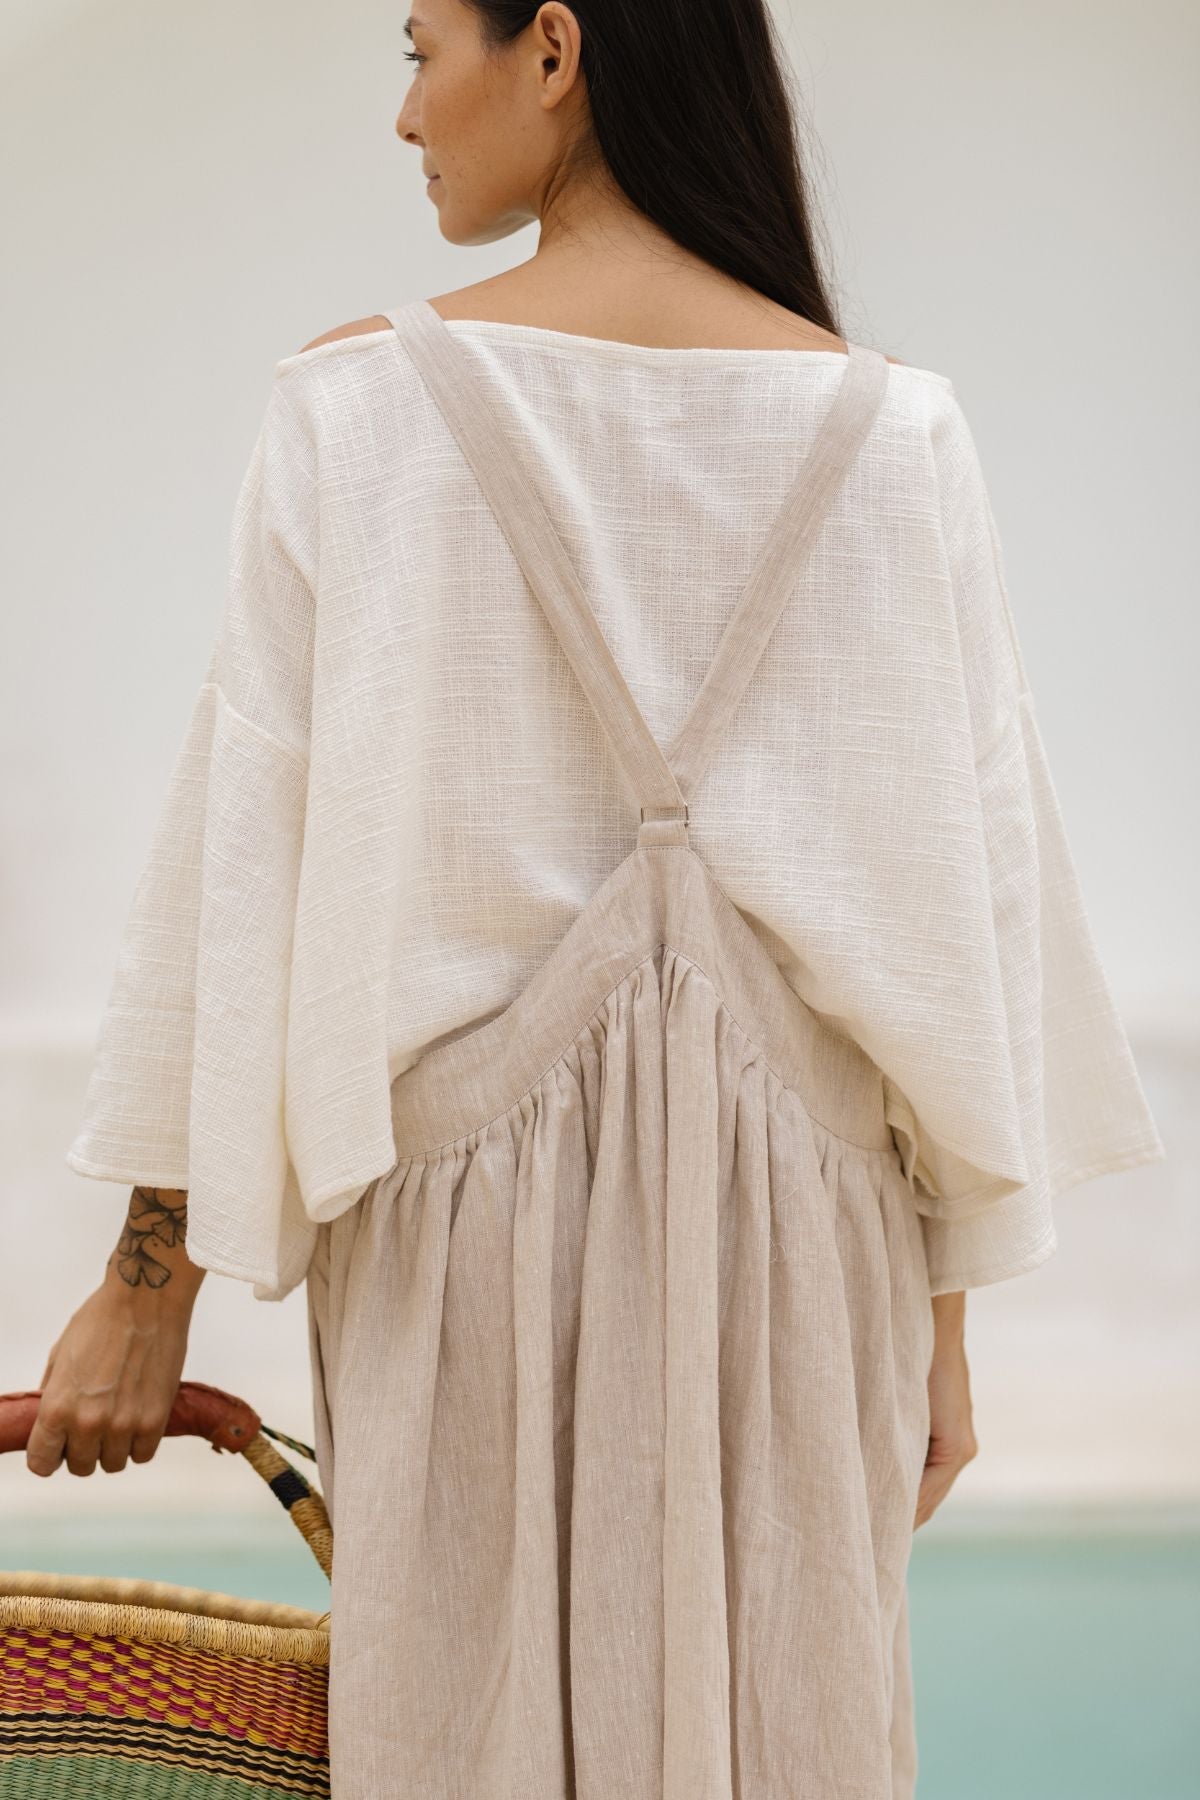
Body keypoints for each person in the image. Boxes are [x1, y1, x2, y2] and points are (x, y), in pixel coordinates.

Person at [34, 1, 1164, 1794]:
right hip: (814, 1251)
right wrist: (941, 1330)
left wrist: (145, 1280)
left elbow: (251, 856)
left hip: (455, 1250)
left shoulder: (355, 409)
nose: (407, 114)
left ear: (552, 48)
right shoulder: (899, 435)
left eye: (419, 52)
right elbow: (964, 915)